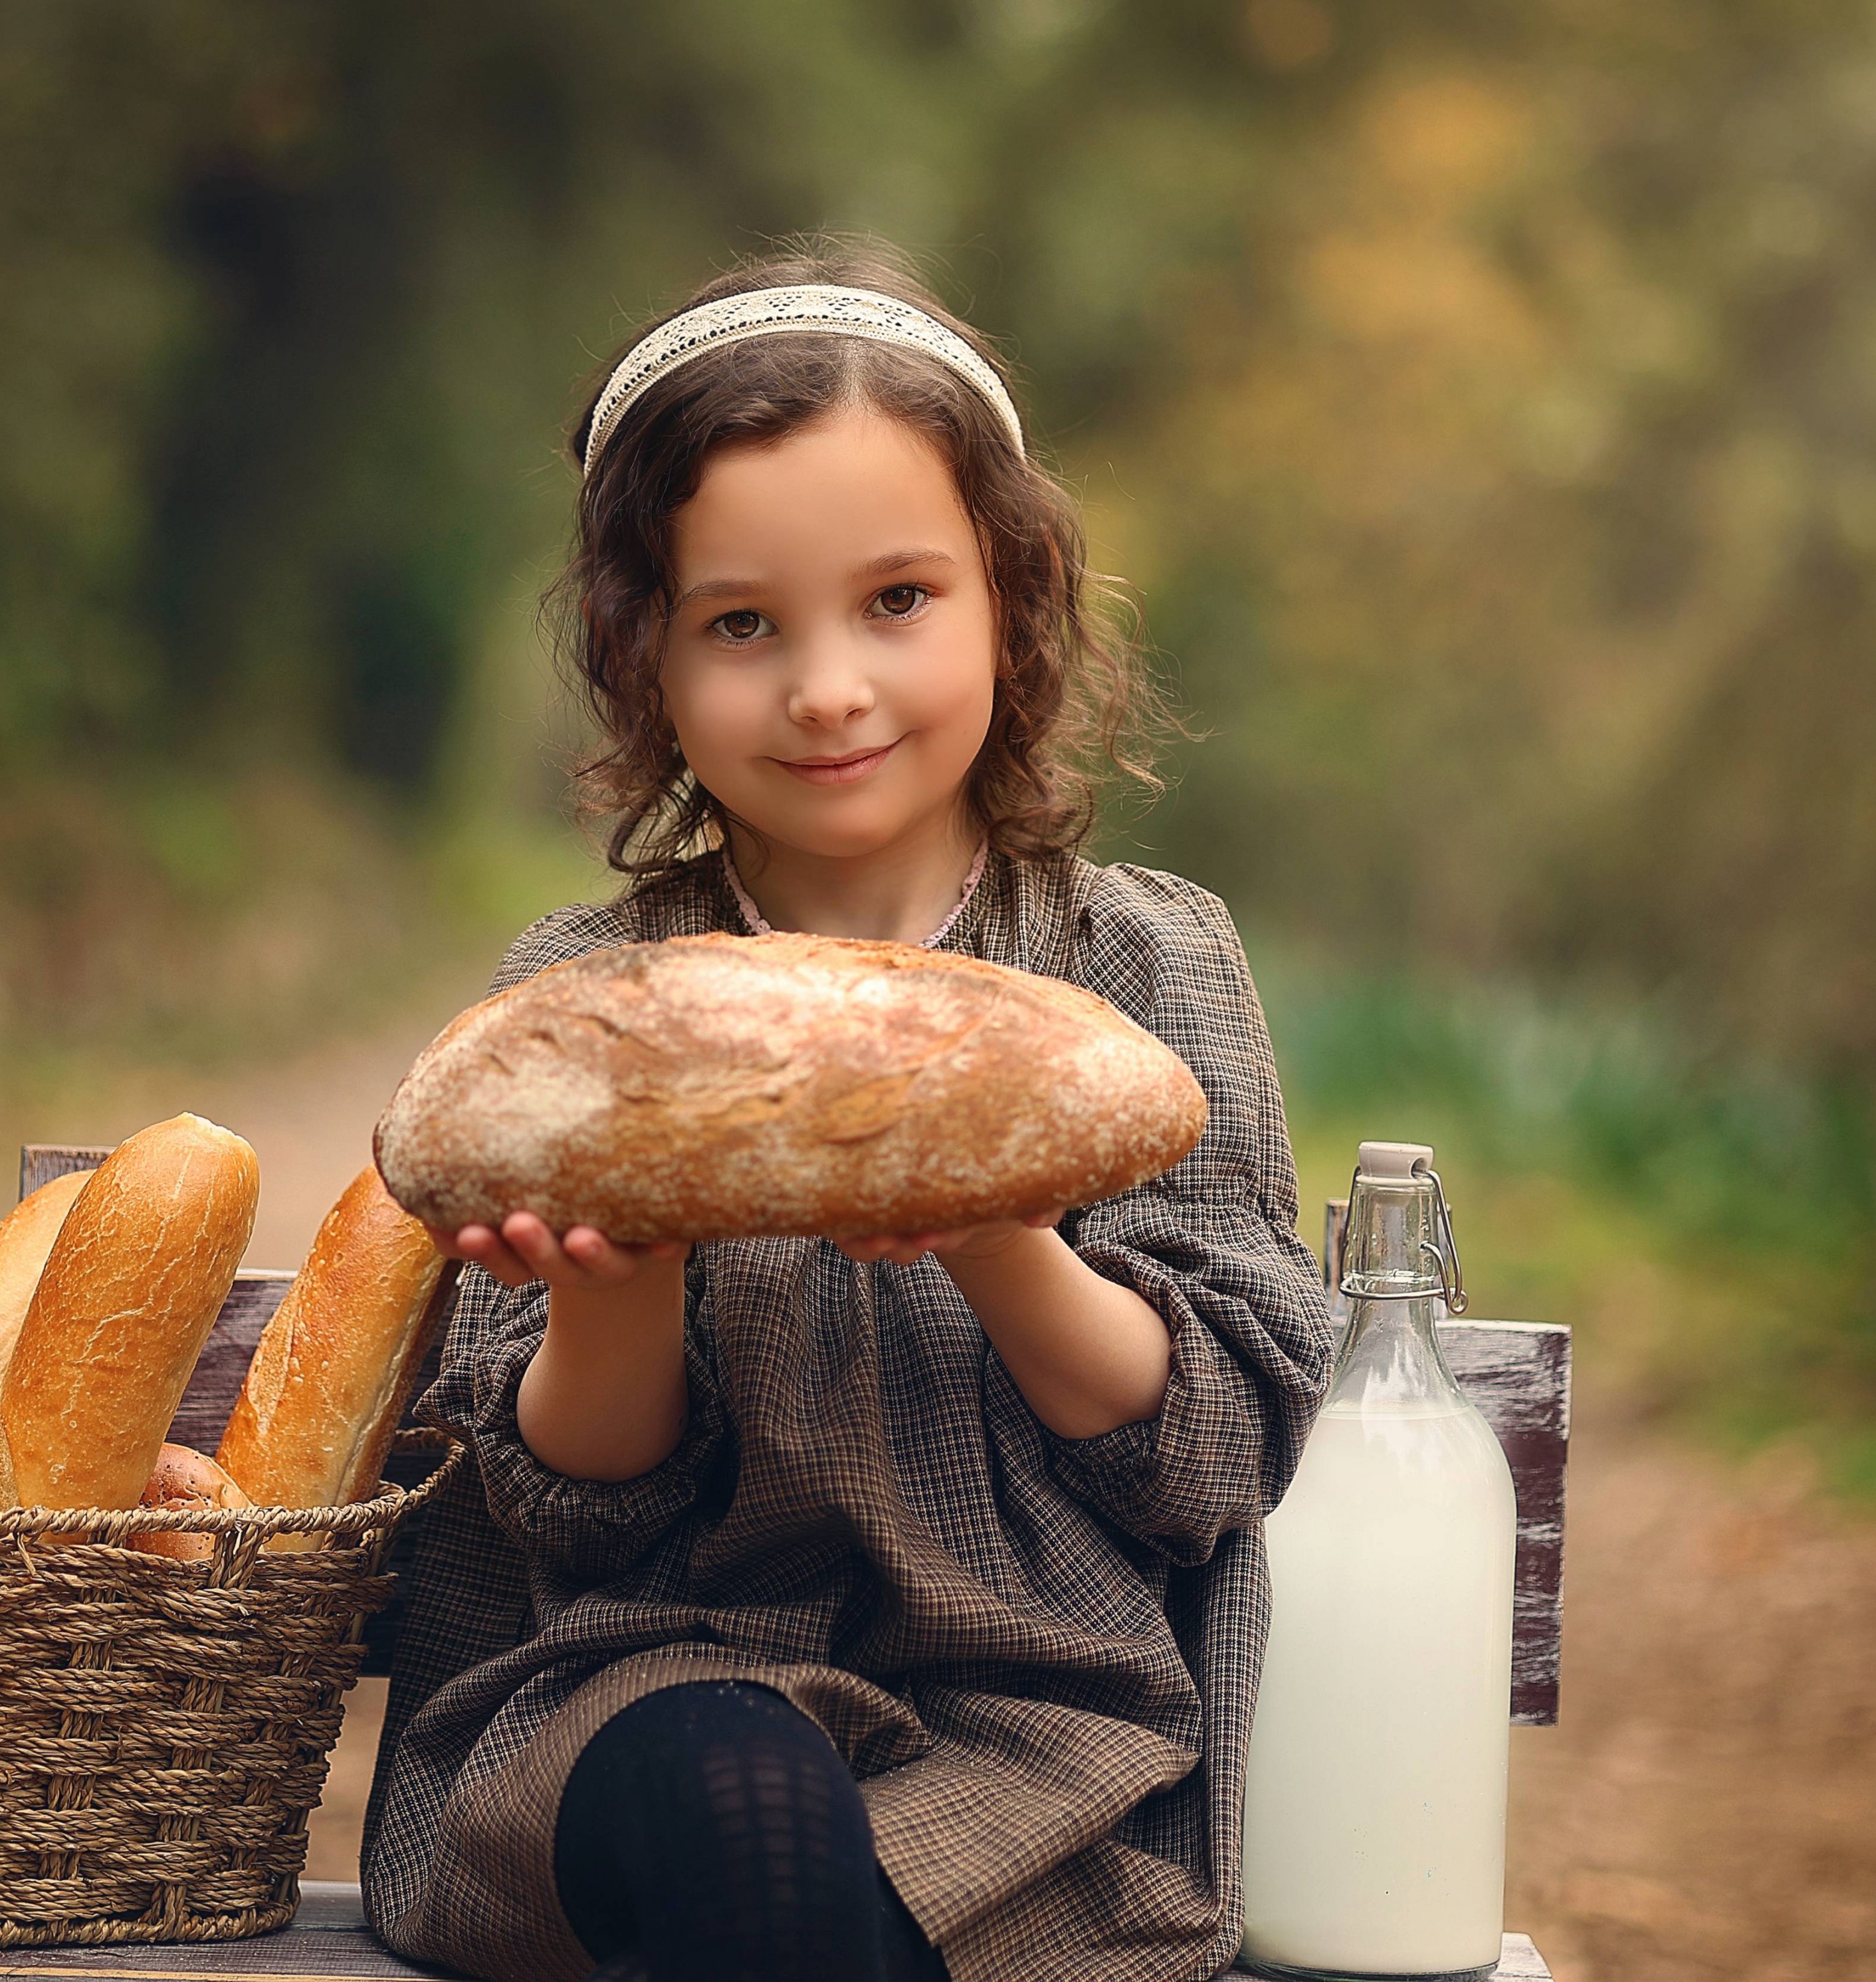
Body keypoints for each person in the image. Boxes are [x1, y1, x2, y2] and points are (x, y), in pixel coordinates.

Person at [356, 237, 1336, 1982]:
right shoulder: (579, 1011)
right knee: (741, 1797)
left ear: (1010, 602)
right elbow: (575, 1519)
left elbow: (1215, 1463)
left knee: (833, 1902)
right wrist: (612, 1285)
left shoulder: (1143, 968)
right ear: (639, 656)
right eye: (743, 625)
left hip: (1039, 1737)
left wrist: (997, 1235)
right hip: (629, 1702)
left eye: (898, 601)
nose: (826, 689)